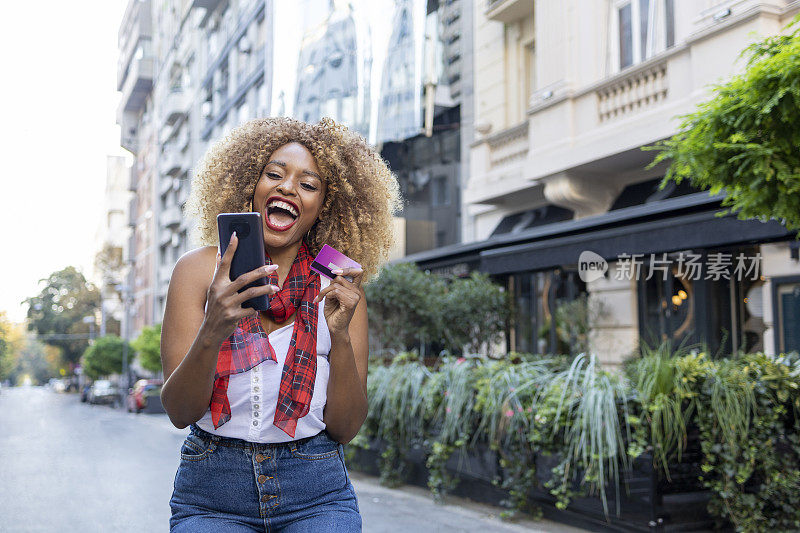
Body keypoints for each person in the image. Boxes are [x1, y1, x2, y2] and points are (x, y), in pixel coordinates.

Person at [160, 116, 400, 532]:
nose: (288, 187)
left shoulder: (339, 280)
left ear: (322, 207)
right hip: (212, 492)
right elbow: (181, 412)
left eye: (308, 184)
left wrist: (339, 337)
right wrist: (213, 328)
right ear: (251, 186)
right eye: (274, 175)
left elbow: (346, 427)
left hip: (316, 489)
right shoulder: (199, 271)